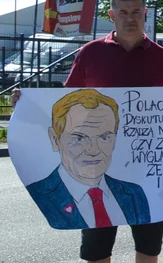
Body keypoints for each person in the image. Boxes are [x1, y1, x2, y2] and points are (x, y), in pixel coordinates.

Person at [15, 0, 163, 263]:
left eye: (137, 11)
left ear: (145, 13)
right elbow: (65, 101)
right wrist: (27, 103)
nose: (131, 17)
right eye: (124, 11)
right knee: (97, 245)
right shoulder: (90, 54)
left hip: (144, 171)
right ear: (112, 15)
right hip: (93, 171)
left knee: (149, 244)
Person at [27, 89, 150, 229]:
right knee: (95, 249)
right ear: (55, 139)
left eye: (105, 137)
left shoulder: (134, 193)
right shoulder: (41, 193)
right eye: (79, 138)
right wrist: (23, 103)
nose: (93, 150)